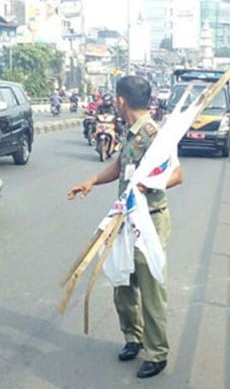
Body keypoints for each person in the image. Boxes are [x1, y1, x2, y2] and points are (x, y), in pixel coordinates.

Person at [67, 76, 183, 379]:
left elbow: (177, 175)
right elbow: (120, 166)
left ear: (121, 101)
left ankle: (157, 353)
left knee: (150, 286)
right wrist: (91, 181)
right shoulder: (132, 134)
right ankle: (134, 337)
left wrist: (147, 184)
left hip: (150, 219)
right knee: (123, 281)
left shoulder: (154, 134)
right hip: (126, 218)